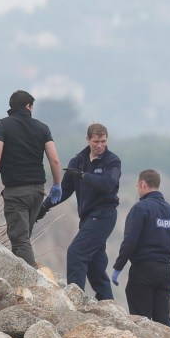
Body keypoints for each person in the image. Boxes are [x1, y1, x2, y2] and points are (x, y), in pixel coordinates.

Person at [36, 123, 120, 300]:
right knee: (96, 266)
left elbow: (107, 184)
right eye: (96, 141)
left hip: (104, 216)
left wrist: (83, 175)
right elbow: (64, 191)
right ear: (88, 139)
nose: (100, 146)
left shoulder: (112, 161)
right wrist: (43, 207)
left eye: (103, 141)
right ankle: (108, 304)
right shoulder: (78, 161)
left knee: (76, 253)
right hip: (88, 217)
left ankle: (74, 301)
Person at [0, 90, 62, 266]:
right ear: (28, 106)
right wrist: (57, 184)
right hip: (38, 192)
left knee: (20, 241)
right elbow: (54, 159)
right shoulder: (42, 128)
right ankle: (22, 284)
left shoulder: (2, 126)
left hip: (16, 192)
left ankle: (35, 285)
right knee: (22, 240)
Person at [111, 169, 170, 323]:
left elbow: (130, 241)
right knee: (162, 322)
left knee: (141, 320)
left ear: (142, 184)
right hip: (165, 272)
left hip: (143, 271)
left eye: (138, 186)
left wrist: (119, 266)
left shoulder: (140, 208)